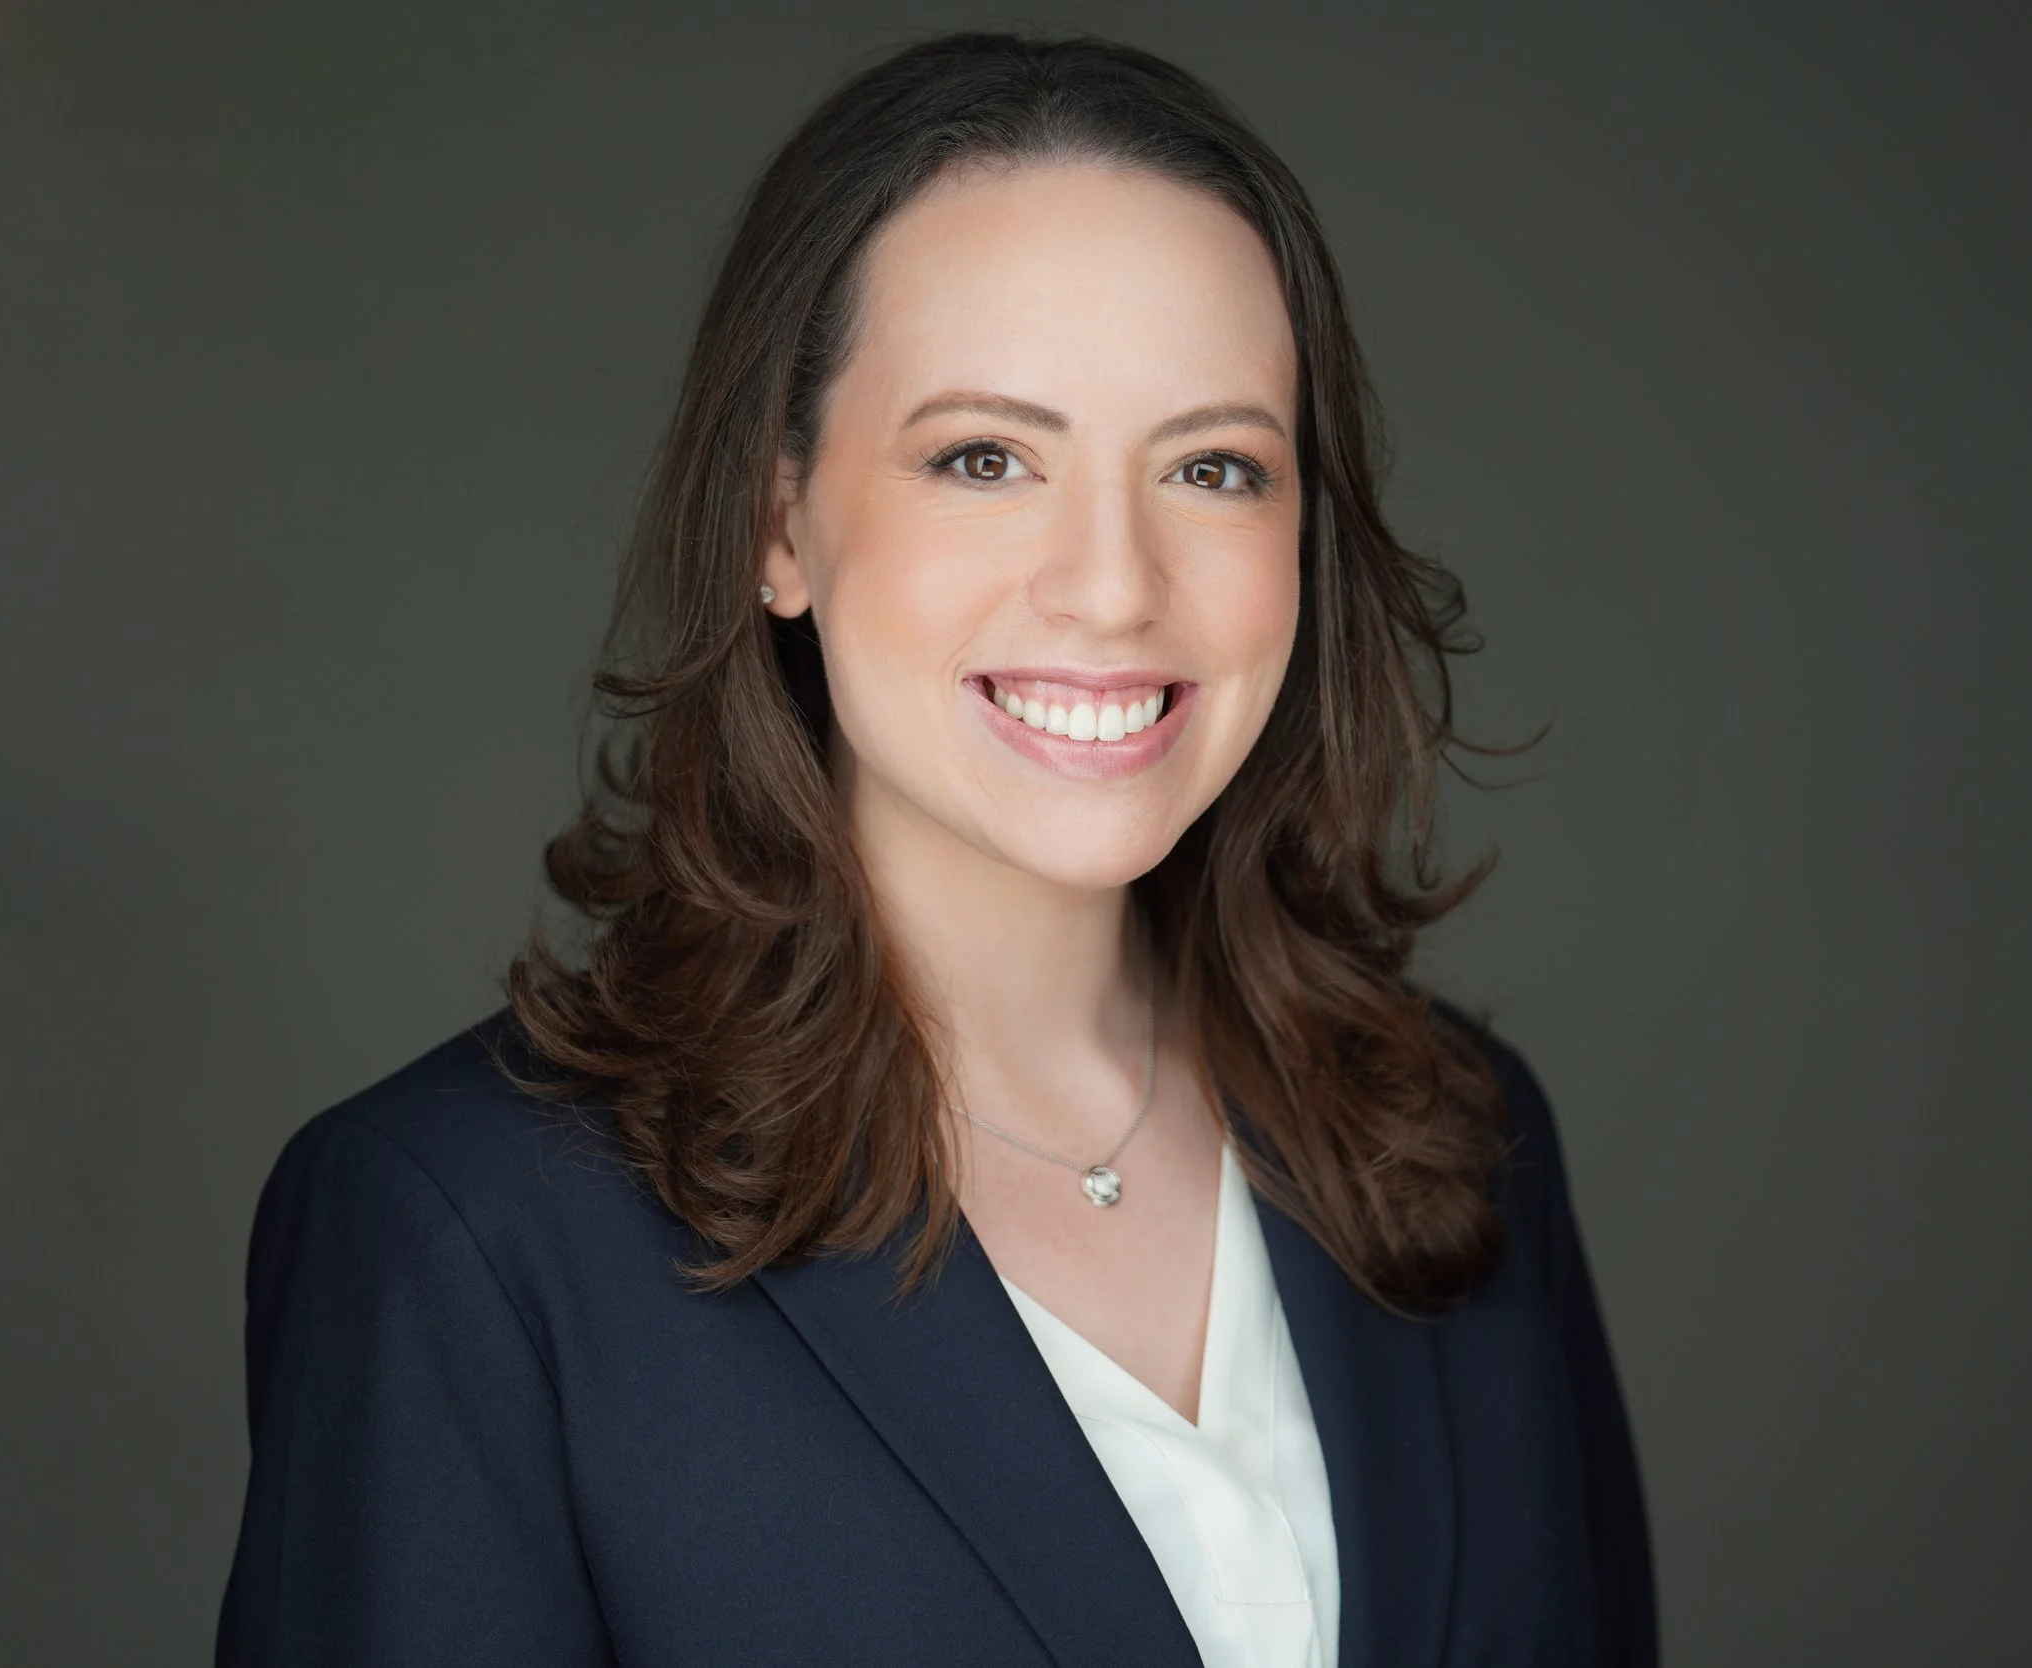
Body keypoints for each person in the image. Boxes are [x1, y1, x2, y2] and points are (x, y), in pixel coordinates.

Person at [214, 30, 1654, 1668]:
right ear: (778, 527)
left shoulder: (1462, 1147)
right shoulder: (463, 1237)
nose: (1113, 584)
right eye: (985, 458)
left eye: (1213, 467)